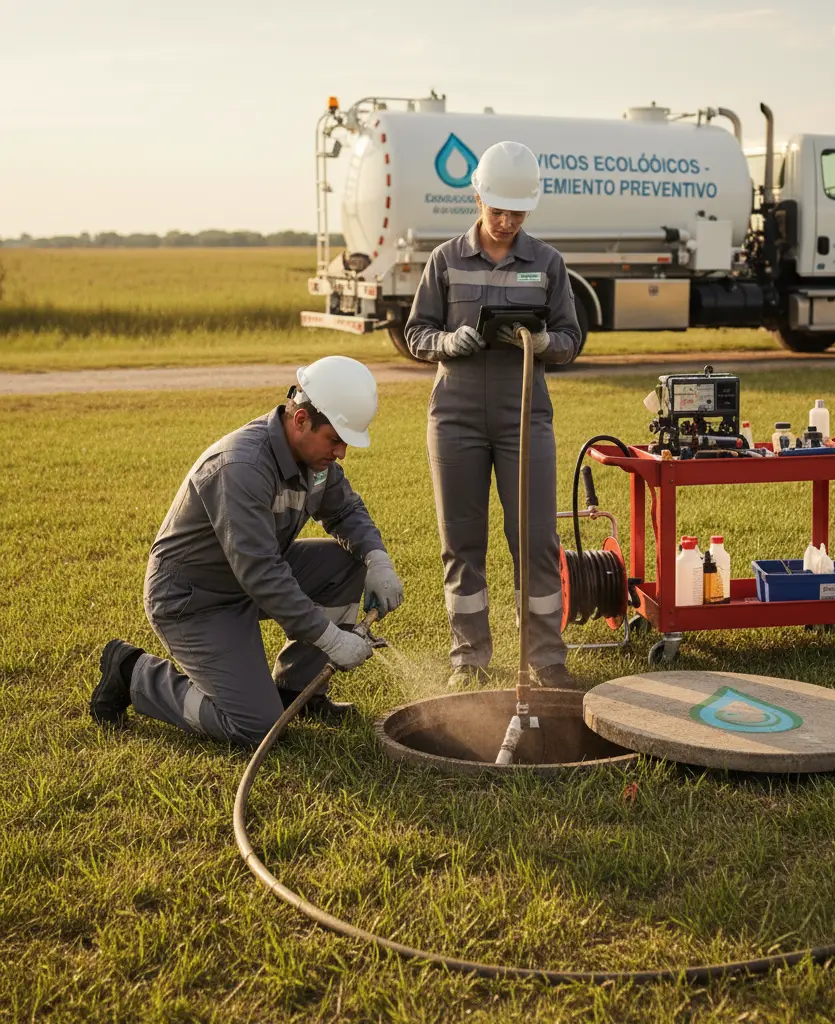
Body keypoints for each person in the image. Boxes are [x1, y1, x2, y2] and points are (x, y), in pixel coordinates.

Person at [89, 356, 404, 744]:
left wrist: (377, 557)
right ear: (301, 419)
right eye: (336, 440)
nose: (341, 453)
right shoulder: (242, 466)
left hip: (244, 581)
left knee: (343, 564)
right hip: (194, 600)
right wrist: (331, 639)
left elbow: (345, 509)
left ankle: (298, 691)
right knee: (255, 726)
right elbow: (261, 573)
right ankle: (133, 672)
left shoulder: (313, 459)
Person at [405, 141, 582, 690]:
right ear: (476, 195)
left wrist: (547, 340)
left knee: (534, 540)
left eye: (518, 212)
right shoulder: (446, 260)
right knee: (461, 541)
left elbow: (573, 340)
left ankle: (546, 657)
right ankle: (470, 657)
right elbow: (415, 334)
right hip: (454, 416)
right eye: (497, 209)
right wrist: (448, 340)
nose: (506, 222)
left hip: (524, 417)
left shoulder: (548, 262)